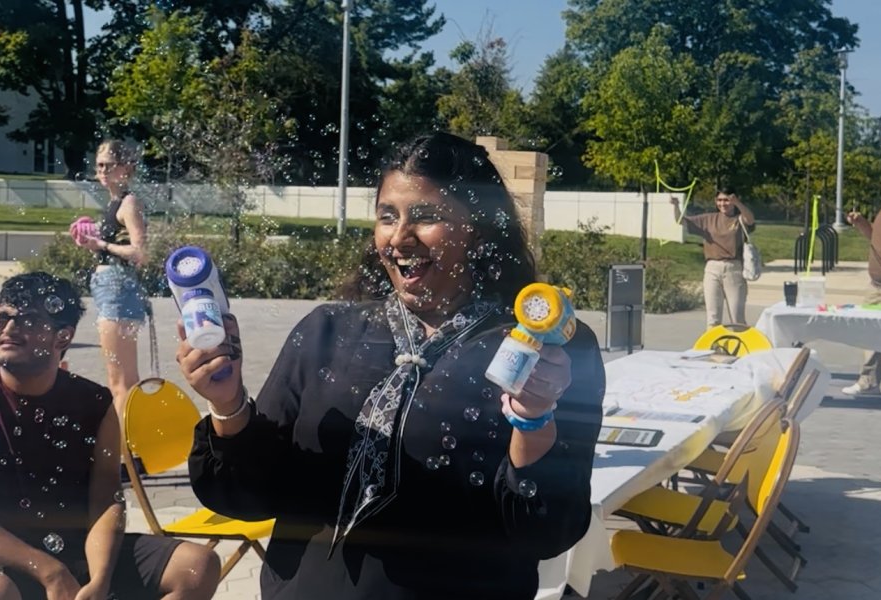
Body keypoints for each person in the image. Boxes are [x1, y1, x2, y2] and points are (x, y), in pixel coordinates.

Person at [177, 132, 606, 600]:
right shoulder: (327, 332)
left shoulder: (540, 348)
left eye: (426, 216)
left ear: (479, 229)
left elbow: (546, 531)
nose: (399, 238)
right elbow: (252, 496)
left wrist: (533, 419)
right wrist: (228, 405)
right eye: (387, 216)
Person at [0, 272, 220, 599]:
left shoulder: (94, 403)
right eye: (1, 318)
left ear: (62, 337)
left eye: (28, 320)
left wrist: (100, 579)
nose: (8, 329)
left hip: (77, 547)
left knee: (196, 566)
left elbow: (106, 497)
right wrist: (49, 571)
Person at [73, 140, 149, 426]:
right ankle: (130, 443)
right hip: (113, 288)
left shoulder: (129, 203)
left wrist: (102, 245)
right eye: (99, 165)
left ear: (126, 168)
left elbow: (140, 253)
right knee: (121, 379)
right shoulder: (115, 203)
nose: (102, 171)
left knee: (121, 382)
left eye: (108, 165)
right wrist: (93, 245)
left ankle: (123, 448)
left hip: (118, 288)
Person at [671, 189, 756, 328]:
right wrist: (675, 206)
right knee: (713, 318)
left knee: (737, 318)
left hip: (733, 269)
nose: (723, 203)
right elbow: (681, 221)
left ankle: (739, 341)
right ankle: (714, 342)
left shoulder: (739, 219)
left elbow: (750, 220)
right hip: (712, 268)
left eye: (727, 200)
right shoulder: (708, 219)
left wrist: (738, 203)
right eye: (720, 200)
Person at [842, 208, 881, 395]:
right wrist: (861, 223)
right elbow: (874, 237)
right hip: (876, 287)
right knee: (870, 333)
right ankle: (868, 380)